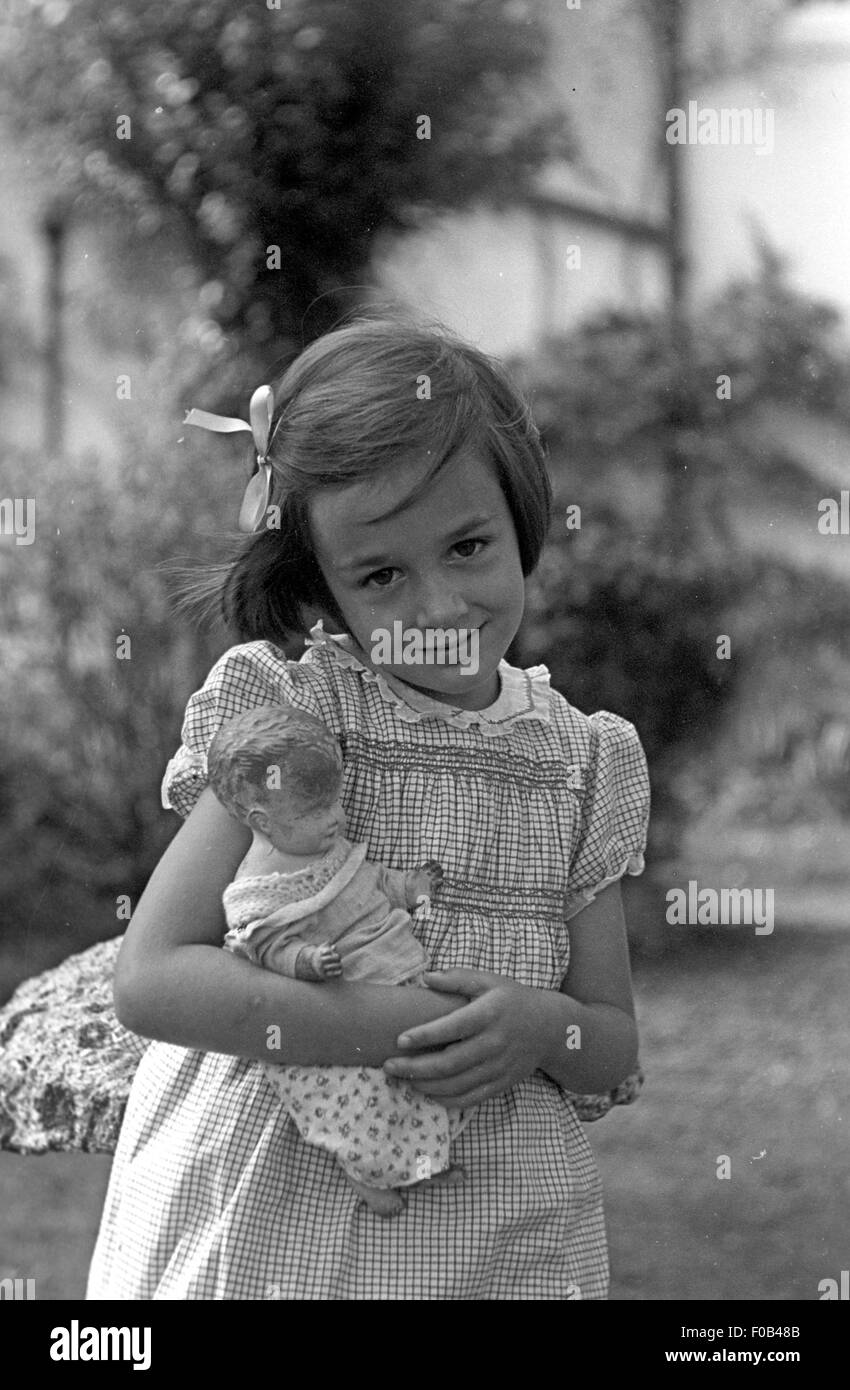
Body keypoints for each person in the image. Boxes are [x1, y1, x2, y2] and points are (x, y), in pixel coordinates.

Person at [87, 315, 650, 1300]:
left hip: (491, 1242)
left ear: (521, 522)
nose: (437, 606)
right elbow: (154, 978)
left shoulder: (582, 762)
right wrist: (390, 1024)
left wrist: (539, 1027)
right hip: (267, 1221)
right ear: (325, 595)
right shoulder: (299, 712)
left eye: (468, 546)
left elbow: (608, 1041)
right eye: (383, 575)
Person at [208, 702, 467, 1216]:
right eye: (316, 812)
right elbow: (266, 948)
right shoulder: (261, 890)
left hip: (399, 979)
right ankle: (369, 1174)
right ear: (263, 820)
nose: (337, 819)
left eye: (335, 803)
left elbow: (369, 882)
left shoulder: (326, 849)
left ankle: (421, 1163)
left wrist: (409, 887)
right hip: (347, 1006)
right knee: (361, 1102)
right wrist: (305, 961)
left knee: (423, 1090)